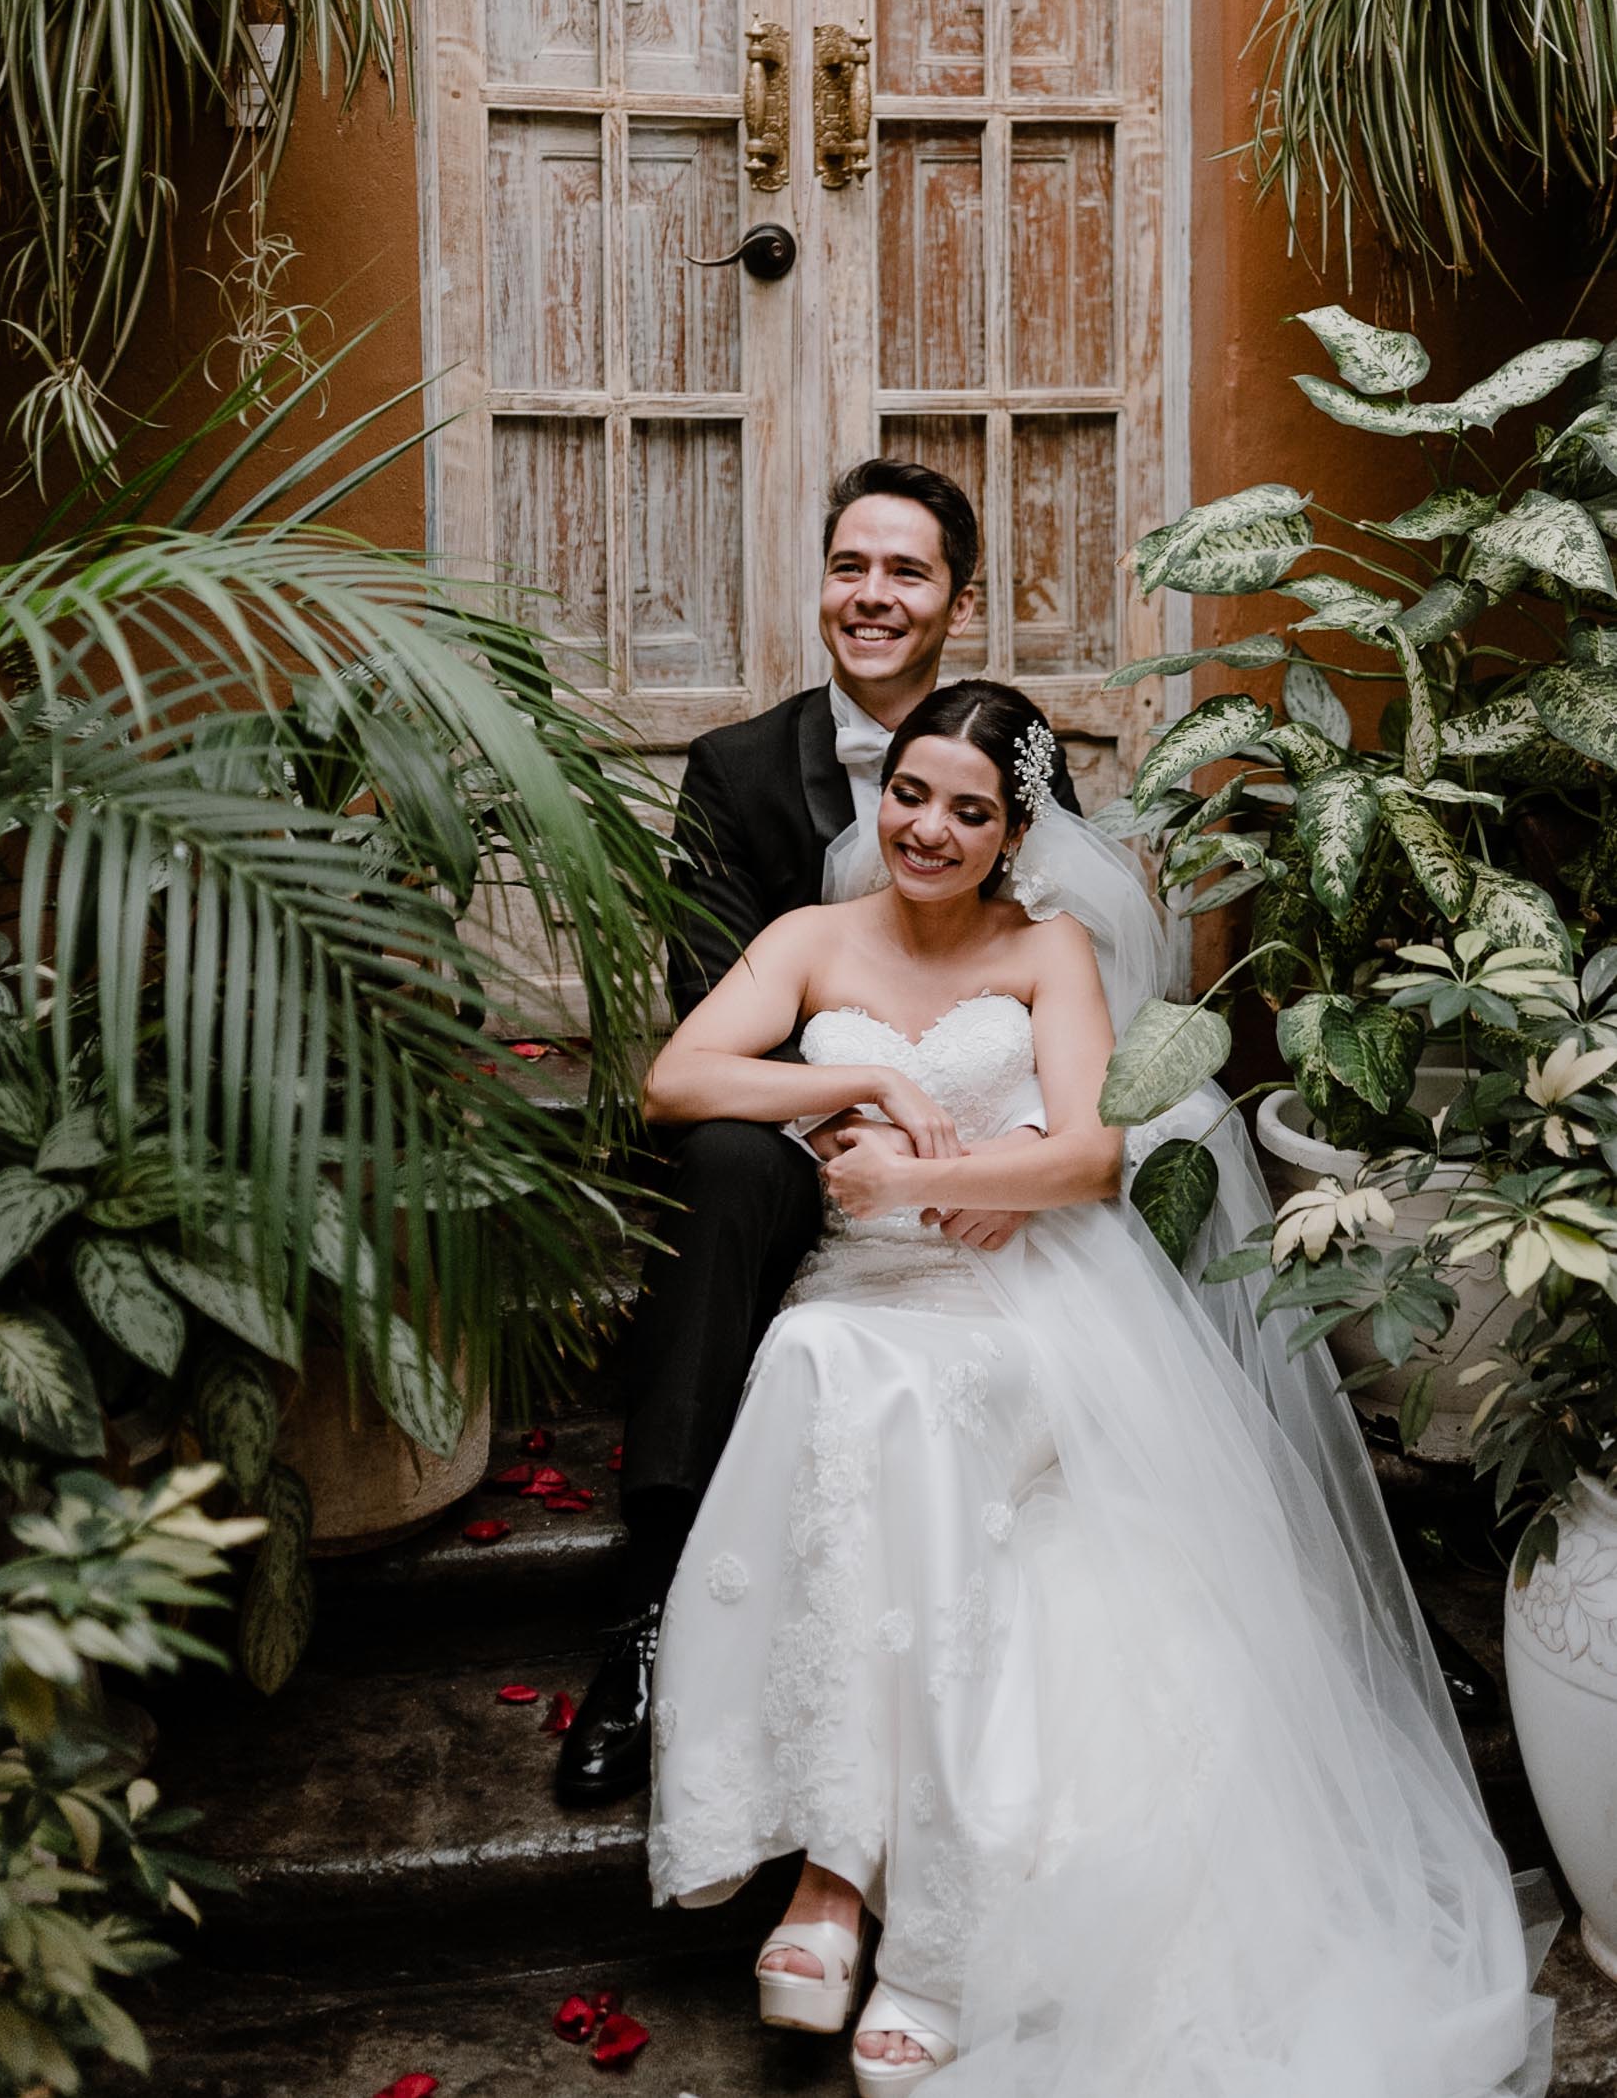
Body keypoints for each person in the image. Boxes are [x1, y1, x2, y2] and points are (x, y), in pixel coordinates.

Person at [642, 681, 1552, 2098]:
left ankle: (907, 1931)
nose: (929, 828)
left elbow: (1084, 1159)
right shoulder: (809, 939)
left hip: (1011, 1308)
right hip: (859, 1295)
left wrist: (930, 1177)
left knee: (893, 1410)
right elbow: (680, 1077)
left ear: (1013, 836)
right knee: (818, 1358)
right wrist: (854, 1100)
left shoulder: (1048, 950)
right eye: (911, 796)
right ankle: (828, 1871)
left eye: (970, 810)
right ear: (882, 801)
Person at [555, 459, 1080, 1807]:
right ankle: (648, 1607)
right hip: (798, 1126)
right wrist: (866, 1110)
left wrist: (1006, 1146)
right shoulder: (734, 769)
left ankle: (1310, 1561)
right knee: (723, 1165)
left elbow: (1076, 988)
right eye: (852, 566)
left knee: (1192, 1164)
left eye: (906, 572)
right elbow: (705, 1009)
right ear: (823, 581)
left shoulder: (1027, 758)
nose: (873, 595)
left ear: (956, 602)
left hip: (979, 1141)